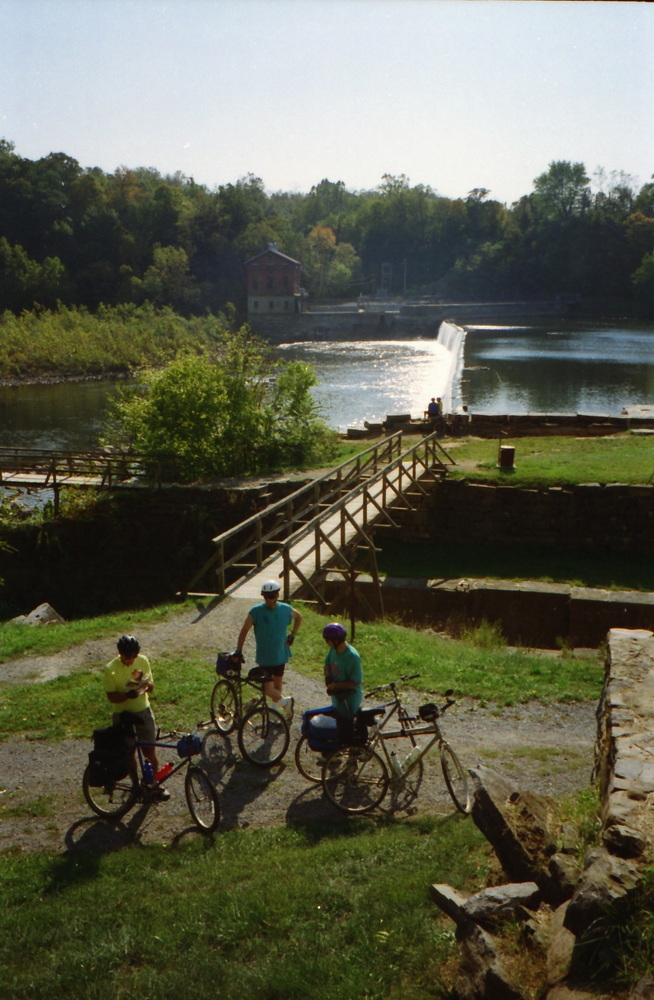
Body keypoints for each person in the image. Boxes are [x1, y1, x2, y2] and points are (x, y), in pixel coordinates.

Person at [103, 634, 169, 799]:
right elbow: (111, 697)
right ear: (120, 654)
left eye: (133, 656)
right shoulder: (110, 669)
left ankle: (153, 784)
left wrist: (145, 685)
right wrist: (127, 695)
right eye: (127, 657)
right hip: (122, 714)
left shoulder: (142, 661)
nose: (131, 660)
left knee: (150, 751)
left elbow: (151, 686)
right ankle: (135, 786)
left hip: (142, 711)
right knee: (129, 752)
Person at [235, 580, 301, 720]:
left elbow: (299, 617)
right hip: (265, 656)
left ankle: (274, 712)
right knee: (268, 689)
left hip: (280, 654)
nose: (269, 600)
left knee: (277, 685)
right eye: (266, 597)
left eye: (271, 596)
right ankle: (286, 702)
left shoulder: (286, 609)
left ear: (277, 595)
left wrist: (292, 635)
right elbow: (244, 630)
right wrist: (238, 650)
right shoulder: (256, 612)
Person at [322, 622, 363, 742]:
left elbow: (356, 681)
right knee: (338, 726)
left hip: (350, 699)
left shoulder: (352, 657)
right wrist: (328, 680)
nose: (327, 643)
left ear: (336, 640)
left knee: (348, 730)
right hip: (338, 696)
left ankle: (352, 754)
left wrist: (337, 685)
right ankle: (336, 755)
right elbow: (327, 665)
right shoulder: (333, 651)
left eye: (328, 640)